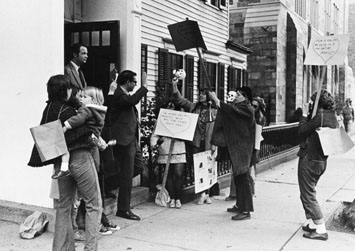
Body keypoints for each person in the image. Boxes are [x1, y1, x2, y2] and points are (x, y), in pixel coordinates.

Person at [28, 75, 101, 251]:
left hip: (60, 163)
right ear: (67, 91)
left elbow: (50, 140)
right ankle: (90, 249)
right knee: (94, 205)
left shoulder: (49, 110)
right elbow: (89, 132)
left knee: (63, 208)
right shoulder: (69, 112)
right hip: (80, 158)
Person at [209, 88, 255, 221]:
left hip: (242, 148)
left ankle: (246, 210)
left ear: (244, 97)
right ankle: (240, 204)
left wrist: (217, 100)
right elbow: (230, 113)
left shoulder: (246, 109)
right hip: (238, 147)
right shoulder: (240, 107)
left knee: (243, 178)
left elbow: (232, 112)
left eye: (239, 95)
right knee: (239, 178)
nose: (236, 96)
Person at [298, 90, 337, 241]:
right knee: (309, 192)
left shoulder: (319, 117)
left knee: (308, 195)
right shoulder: (331, 116)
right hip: (321, 161)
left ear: (317, 103)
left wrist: (303, 116)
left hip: (310, 159)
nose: (310, 103)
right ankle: (313, 223)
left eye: (312, 101)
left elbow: (302, 131)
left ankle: (320, 229)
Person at [171, 80, 217, 205]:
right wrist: (175, 85)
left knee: (208, 168)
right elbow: (180, 100)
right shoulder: (193, 107)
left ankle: (206, 193)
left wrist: (215, 144)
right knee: (198, 168)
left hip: (209, 142)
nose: (200, 95)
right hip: (196, 142)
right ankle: (202, 194)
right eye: (200, 93)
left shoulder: (214, 110)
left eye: (203, 93)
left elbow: (218, 128)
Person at [110, 70, 148, 221]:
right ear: (127, 82)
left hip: (131, 139)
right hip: (124, 140)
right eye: (134, 82)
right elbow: (132, 101)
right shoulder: (118, 94)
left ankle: (109, 183)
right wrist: (144, 87)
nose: (135, 85)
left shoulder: (121, 94)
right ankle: (123, 209)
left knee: (138, 167)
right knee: (127, 174)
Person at [150, 99, 186, 209]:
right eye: (168, 106)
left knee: (179, 174)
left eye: (172, 106)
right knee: (168, 174)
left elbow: (187, 132)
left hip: (178, 148)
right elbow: (154, 135)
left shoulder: (181, 119)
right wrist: (155, 143)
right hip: (165, 149)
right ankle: (172, 198)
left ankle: (178, 198)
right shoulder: (161, 120)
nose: (170, 108)